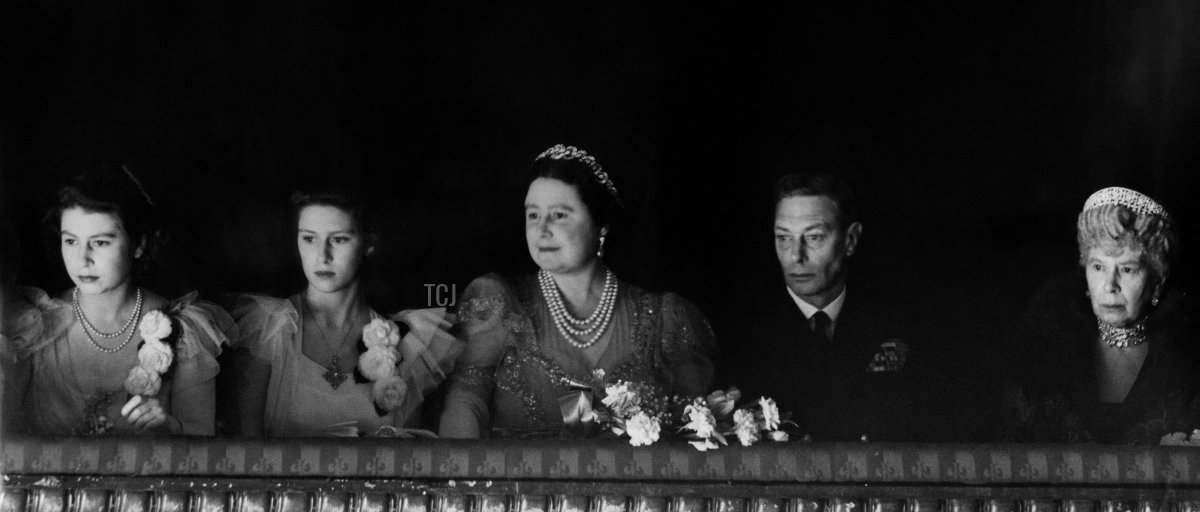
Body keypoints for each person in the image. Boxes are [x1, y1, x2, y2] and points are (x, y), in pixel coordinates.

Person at [438, 144, 716, 439]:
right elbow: (464, 405)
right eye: (533, 215)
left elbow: (693, 436)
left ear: (601, 225)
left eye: (559, 215)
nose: (541, 229)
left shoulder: (663, 321)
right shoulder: (498, 306)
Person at [1, 165, 234, 436]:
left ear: (139, 245)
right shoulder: (31, 326)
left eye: (100, 243)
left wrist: (170, 428)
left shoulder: (183, 328)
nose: (83, 259)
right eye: (71, 241)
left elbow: (203, 444)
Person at [225, 189, 462, 437]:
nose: (322, 256)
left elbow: (406, 457)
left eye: (338, 239)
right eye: (309, 238)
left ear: (369, 243)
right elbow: (242, 450)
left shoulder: (407, 341)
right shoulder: (268, 328)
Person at [720, 172, 918, 441]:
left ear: (850, 240)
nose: (796, 256)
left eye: (813, 237)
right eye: (784, 238)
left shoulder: (895, 319)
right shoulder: (744, 335)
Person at [1006, 186, 1197, 443]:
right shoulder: (1041, 357)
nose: (1110, 285)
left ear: (1156, 282)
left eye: (1127, 269)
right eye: (1098, 267)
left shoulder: (1188, 365)